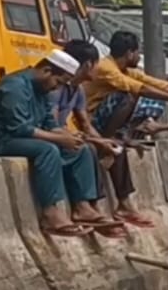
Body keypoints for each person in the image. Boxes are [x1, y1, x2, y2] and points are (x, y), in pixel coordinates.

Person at [0, 50, 121, 238]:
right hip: (2, 139)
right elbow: (19, 129)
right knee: (47, 150)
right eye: (58, 82)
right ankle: (50, 214)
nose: (56, 88)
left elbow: (50, 124)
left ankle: (82, 207)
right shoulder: (14, 87)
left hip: (22, 137)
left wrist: (73, 138)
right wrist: (60, 139)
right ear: (46, 71)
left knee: (82, 149)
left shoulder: (43, 91)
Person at [59, 40, 151, 229]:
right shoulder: (57, 87)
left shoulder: (77, 90)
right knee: (89, 150)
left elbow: (84, 123)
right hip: (55, 135)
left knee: (115, 148)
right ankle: (86, 207)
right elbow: (52, 124)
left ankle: (123, 204)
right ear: (88, 65)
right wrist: (94, 141)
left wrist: (103, 141)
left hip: (69, 133)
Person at [85, 30, 168, 139]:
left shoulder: (126, 70)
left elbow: (163, 86)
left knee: (157, 102)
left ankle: (127, 135)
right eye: (138, 53)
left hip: (105, 115)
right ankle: (110, 137)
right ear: (129, 54)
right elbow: (141, 89)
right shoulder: (106, 67)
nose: (139, 57)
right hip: (92, 117)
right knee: (128, 96)